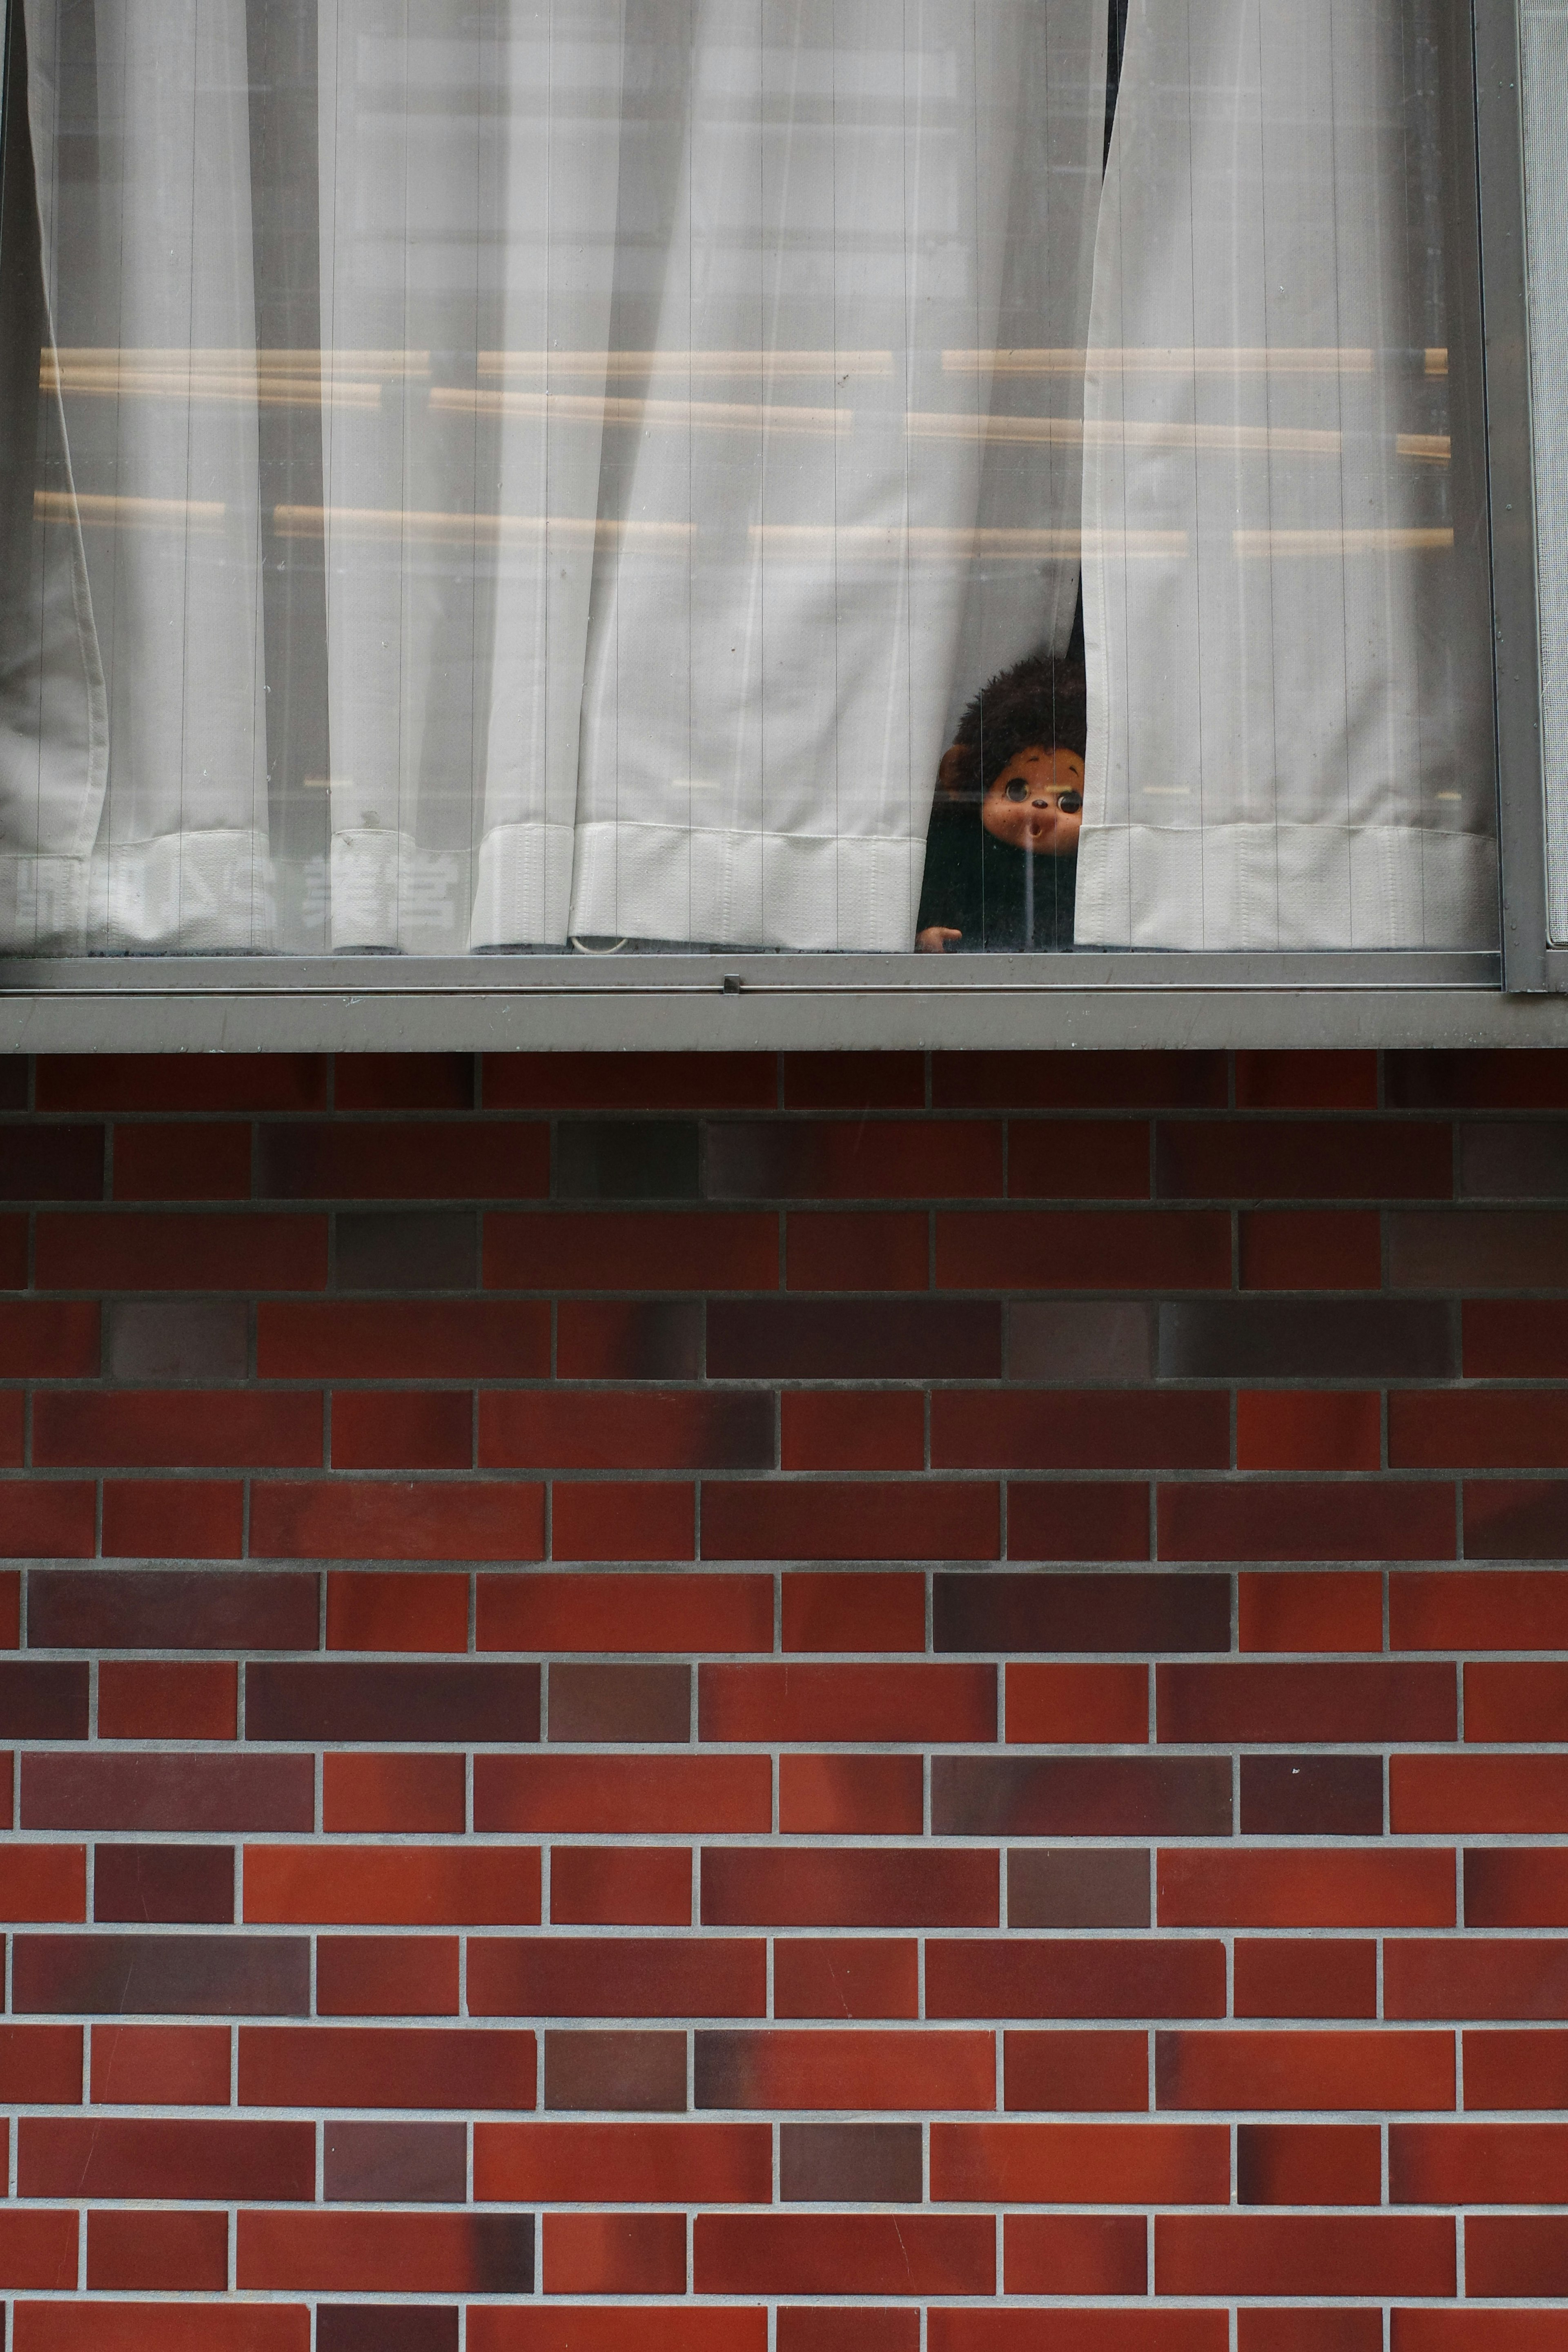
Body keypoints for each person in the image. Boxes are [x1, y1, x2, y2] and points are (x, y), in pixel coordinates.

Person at [915, 647, 1085, 952]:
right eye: (1017, 791)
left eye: (1069, 802)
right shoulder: (958, 849)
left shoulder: (1088, 870)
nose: (1040, 807)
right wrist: (923, 934)